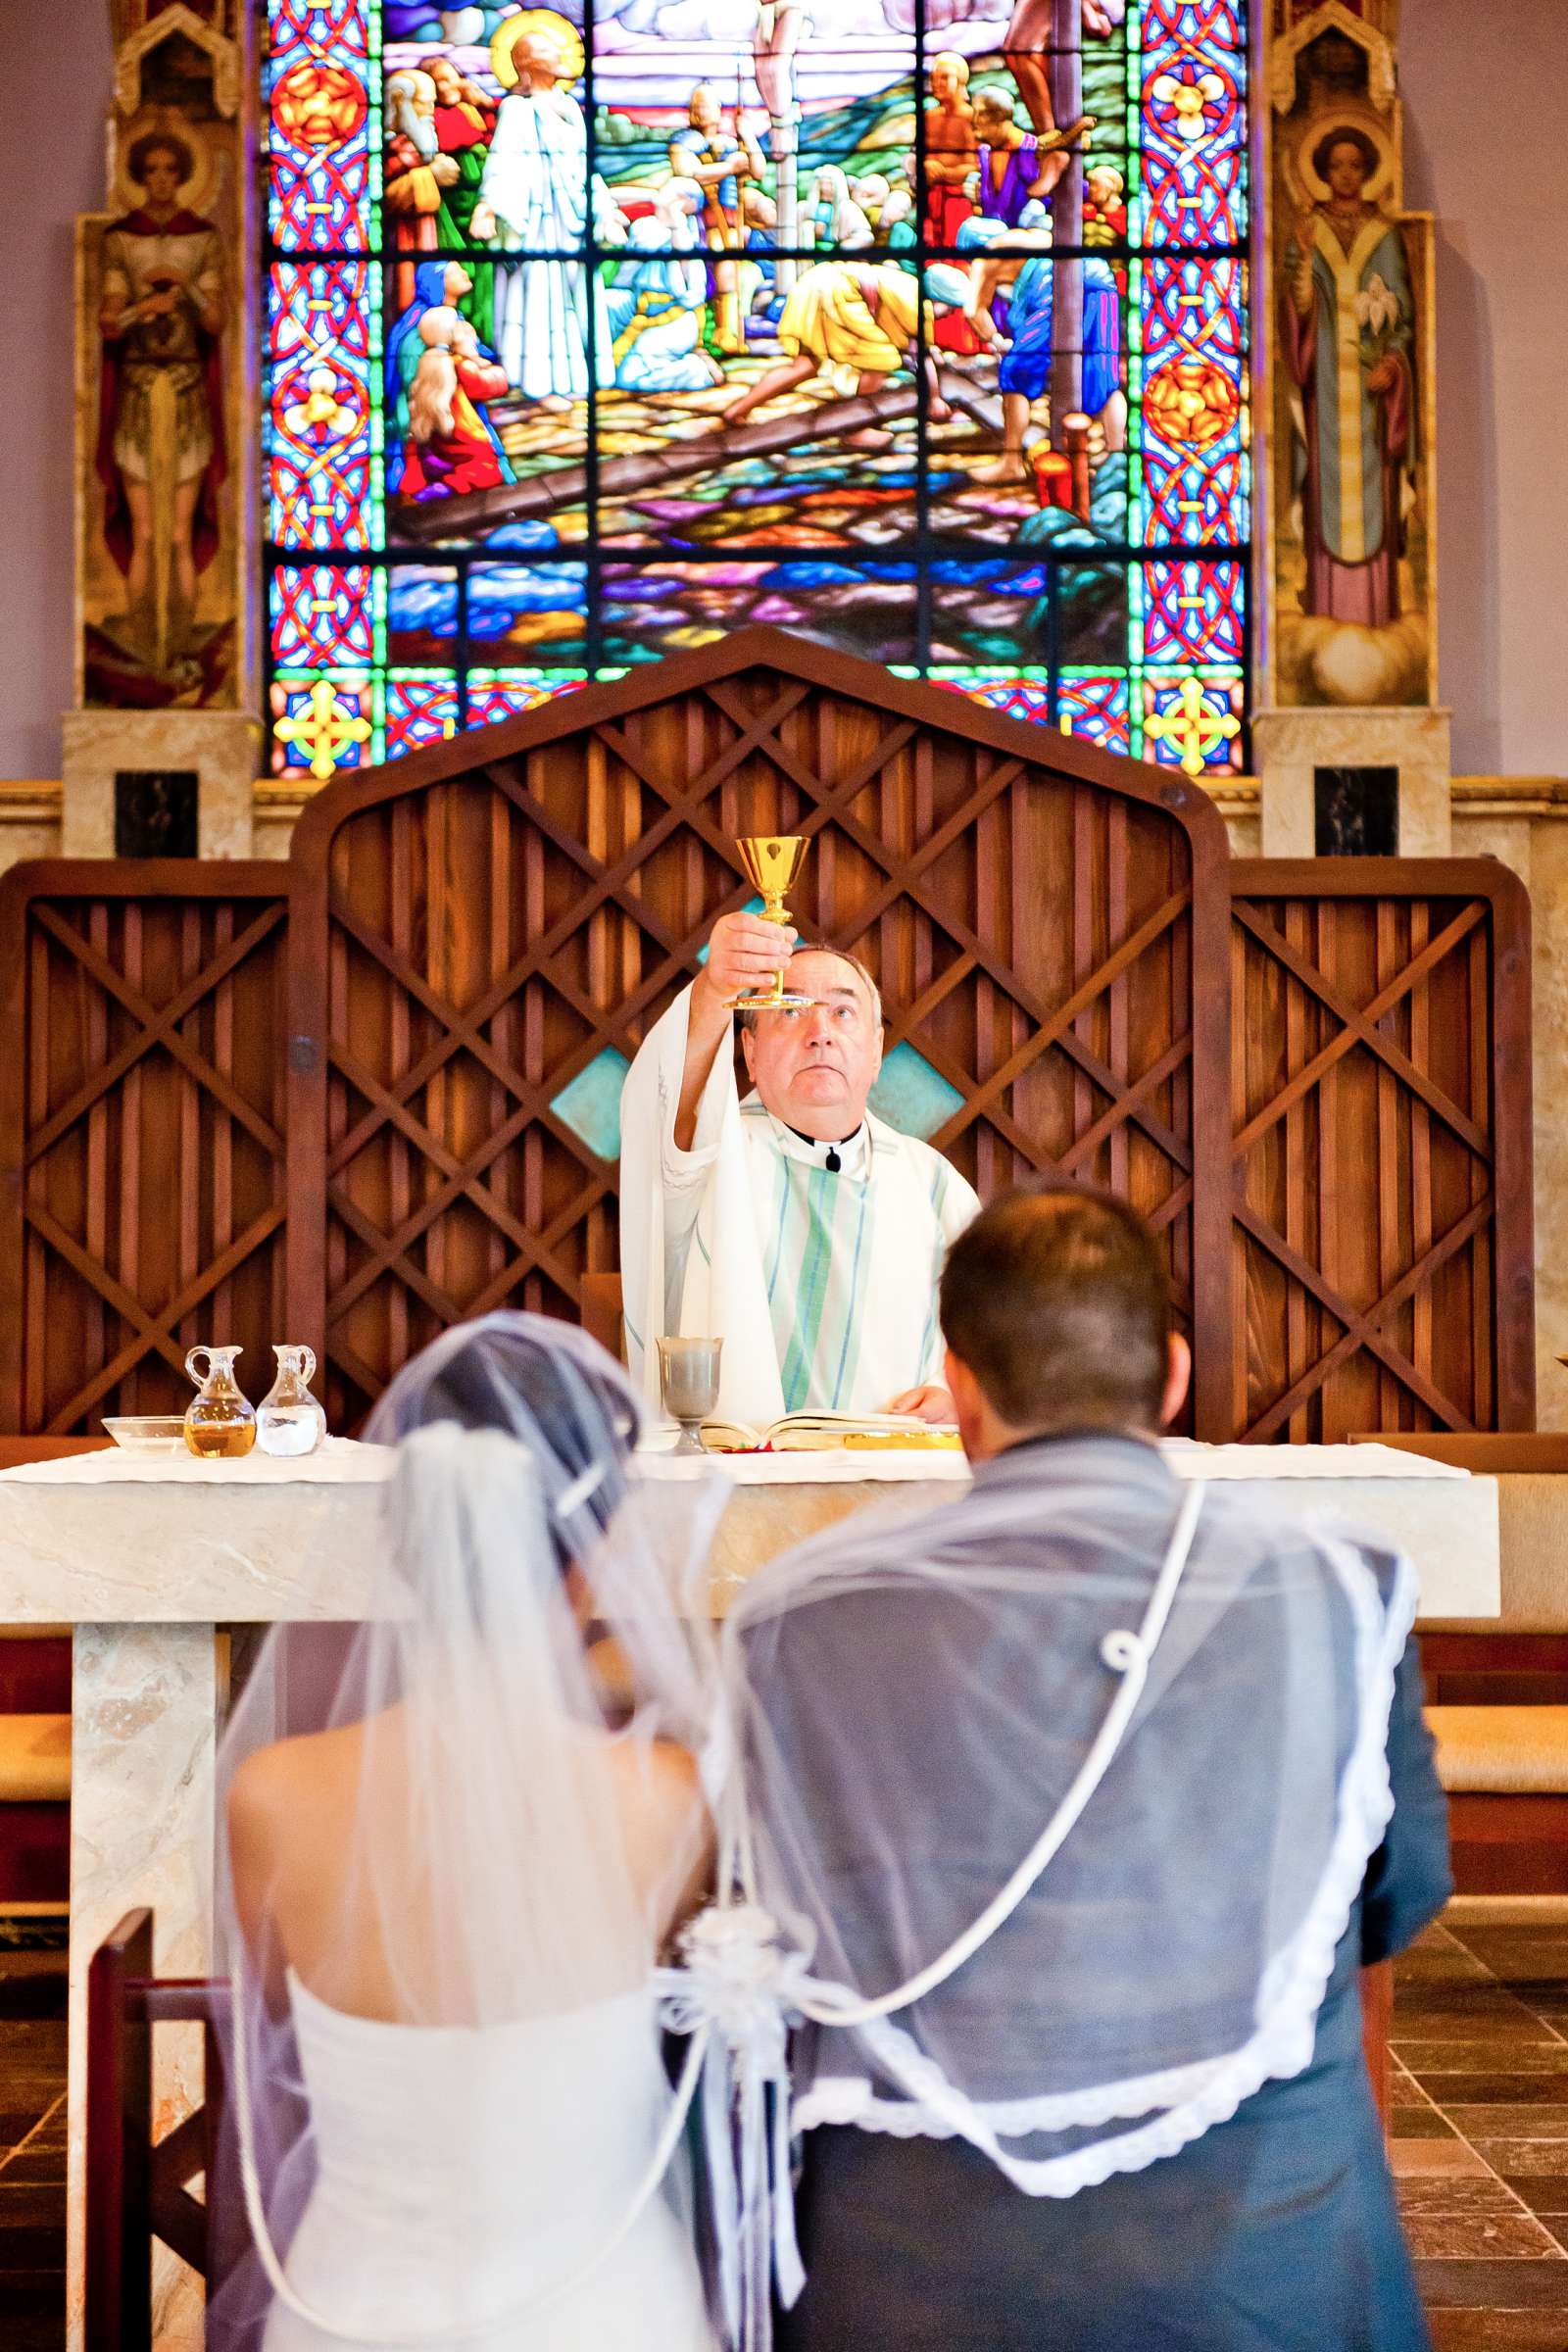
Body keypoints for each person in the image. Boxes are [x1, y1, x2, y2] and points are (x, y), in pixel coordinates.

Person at [723, 1186, 1449, 2350]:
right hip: (1262, 2259)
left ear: (958, 1389)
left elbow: (761, 1930)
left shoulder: (795, 1615)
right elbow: (1398, 1896)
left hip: (910, 2274)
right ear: (1170, 1377)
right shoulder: (1338, 1589)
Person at [209, 1314, 724, 2351]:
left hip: (349, 2311)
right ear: (594, 1561)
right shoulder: (667, 1799)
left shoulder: (270, 1796)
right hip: (606, 2311)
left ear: (402, 1541)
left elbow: (273, 2015)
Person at [618, 917, 979, 1430]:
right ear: (749, 1051)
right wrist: (714, 989)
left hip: (895, 1475)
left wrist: (953, 1399)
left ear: (876, 1051)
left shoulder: (932, 1185)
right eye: (790, 1010)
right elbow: (660, 1111)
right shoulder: (713, 1154)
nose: (820, 1035)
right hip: (739, 1478)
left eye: (842, 1011)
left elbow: (991, 1338)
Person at [1282, 126, 1415, 627]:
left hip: (1372, 397)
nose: (1346, 175)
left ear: (1367, 172)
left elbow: (1401, 314)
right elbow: (1295, 311)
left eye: (1356, 165)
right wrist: (1299, 269)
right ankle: (1328, 614)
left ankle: (1377, 615)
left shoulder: (1383, 235)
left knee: (1375, 487)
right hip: (1326, 390)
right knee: (1326, 489)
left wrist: (1392, 362)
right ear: (1321, 172)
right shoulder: (1307, 230)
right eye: (1336, 166)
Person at [96, 130, 226, 637]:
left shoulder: (204, 239)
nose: (161, 180)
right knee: (145, 531)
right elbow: (108, 323)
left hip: (188, 389)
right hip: (138, 390)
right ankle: (143, 636)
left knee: (178, 533)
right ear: (137, 176)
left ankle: (182, 641)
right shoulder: (122, 241)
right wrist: (140, 309)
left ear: (184, 176)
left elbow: (216, 322)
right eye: (151, 170)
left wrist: (187, 285)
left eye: (171, 170)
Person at [472, 18, 609, 411]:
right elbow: (503, 161)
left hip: (572, 216)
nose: (561, 53)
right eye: (549, 49)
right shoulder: (517, 109)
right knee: (538, 298)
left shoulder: (569, 107)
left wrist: (603, 208)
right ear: (529, 62)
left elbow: (585, 165)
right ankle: (538, 383)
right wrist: (488, 206)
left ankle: (574, 378)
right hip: (536, 219)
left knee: (571, 298)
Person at [669, 83, 776, 355]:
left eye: (708, 105)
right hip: (697, 218)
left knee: (728, 271)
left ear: (719, 110)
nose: (702, 111)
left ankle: (725, 332)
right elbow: (689, 173)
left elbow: (758, 171)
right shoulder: (683, 142)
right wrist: (729, 167)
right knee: (699, 277)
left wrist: (747, 136)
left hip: (728, 218)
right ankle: (697, 337)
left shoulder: (731, 143)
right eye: (697, 106)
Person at [605, 180, 724, 394]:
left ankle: (698, 370)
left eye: (669, 190)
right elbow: (608, 197)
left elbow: (688, 294)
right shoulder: (646, 227)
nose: (662, 194)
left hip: (675, 318)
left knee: (630, 378)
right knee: (600, 303)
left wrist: (676, 220)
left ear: (684, 202)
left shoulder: (688, 234)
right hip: (638, 305)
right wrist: (654, 194)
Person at [399, 307, 517, 501]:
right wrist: (477, 359)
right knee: (488, 469)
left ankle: (433, 486)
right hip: (463, 440)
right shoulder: (463, 366)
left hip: (435, 439)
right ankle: (451, 486)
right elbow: (494, 385)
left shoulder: (428, 362)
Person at [384, 68, 462, 311]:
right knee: (404, 283)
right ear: (402, 103)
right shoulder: (391, 147)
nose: (430, 110)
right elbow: (387, 198)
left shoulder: (420, 147)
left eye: (433, 103)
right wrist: (430, 176)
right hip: (401, 237)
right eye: (423, 103)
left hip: (426, 231)